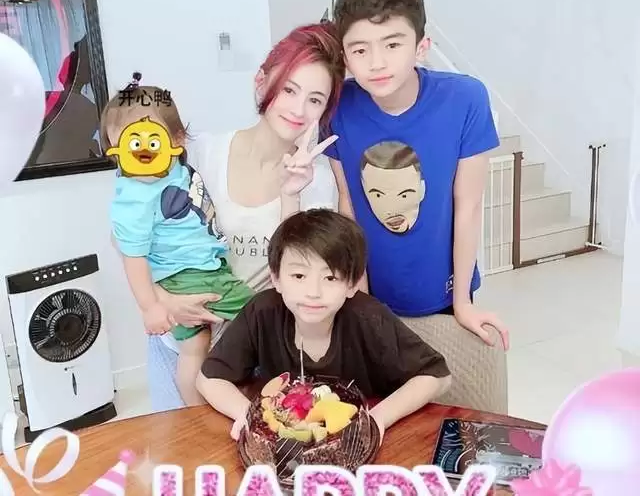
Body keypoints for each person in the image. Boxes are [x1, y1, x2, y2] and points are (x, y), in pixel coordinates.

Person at [324, 0, 509, 412]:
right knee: (383, 414)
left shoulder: (465, 99)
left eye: (392, 44)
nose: (377, 62)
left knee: (450, 409)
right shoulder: (338, 107)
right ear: (346, 57)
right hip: (373, 292)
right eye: (360, 49)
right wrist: (360, 301)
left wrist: (461, 302)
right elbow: (349, 205)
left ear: (421, 47)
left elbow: (468, 205)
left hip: (443, 291)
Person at [139, 22, 346, 412]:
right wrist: (163, 300)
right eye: (289, 90)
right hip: (178, 343)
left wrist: (290, 194)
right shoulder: (202, 154)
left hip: (250, 357)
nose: (298, 109)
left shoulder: (318, 182)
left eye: (315, 100)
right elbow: (132, 235)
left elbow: (296, 276)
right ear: (261, 82)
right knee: (180, 449)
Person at [195, 209, 452, 442]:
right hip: (284, 446)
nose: (313, 292)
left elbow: (437, 376)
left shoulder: (368, 317)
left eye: (330, 277)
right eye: (299, 275)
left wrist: (377, 419)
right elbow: (209, 379)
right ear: (276, 278)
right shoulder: (262, 312)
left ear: (351, 284)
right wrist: (248, 416)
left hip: (358, 443)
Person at [103, 74, 256, 406]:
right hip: (186, 276)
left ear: (176, 140)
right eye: (128, 148)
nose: (141, 155)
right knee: (260, 316)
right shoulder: (134, 198)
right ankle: (197, 411)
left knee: (200, 345)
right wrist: (151, 307)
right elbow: (133, 258)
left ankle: (209, 403)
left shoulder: (175, 167)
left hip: (207, 266)